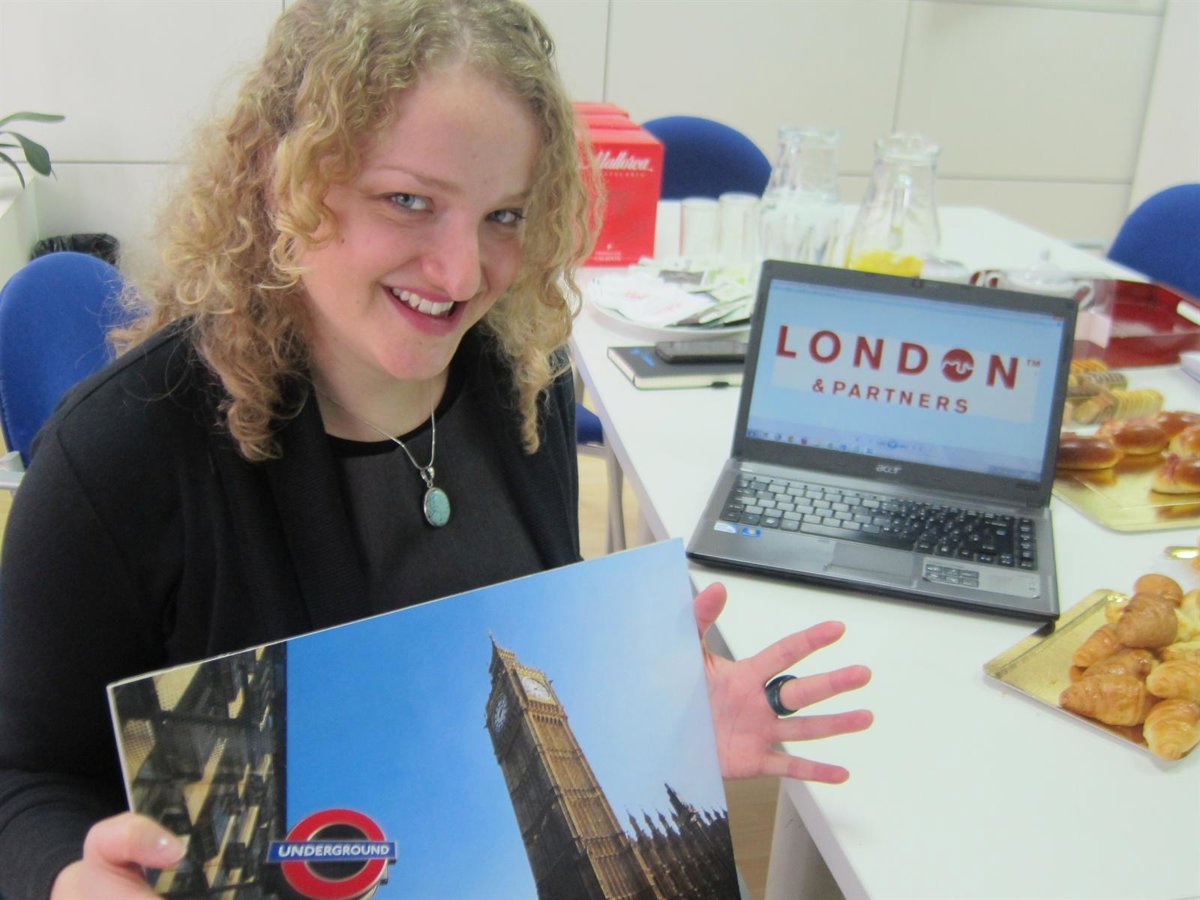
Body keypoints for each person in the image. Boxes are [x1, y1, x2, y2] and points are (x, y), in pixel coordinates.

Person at [0, 0, 873, 896]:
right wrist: (68, 879)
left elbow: (532, 618)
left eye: (504, 215)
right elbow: (20, 782)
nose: (461, 274)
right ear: (285, 175)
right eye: (408, 201)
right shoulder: (119, 457)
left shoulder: (522, 380)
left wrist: (664, 728)